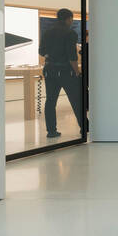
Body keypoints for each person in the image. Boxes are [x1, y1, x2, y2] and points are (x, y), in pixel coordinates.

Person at [39, 8, 83, 140]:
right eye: (72, 19)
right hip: (65, 71)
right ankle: (84, 127)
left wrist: (52, 57)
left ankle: (51, 131)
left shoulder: (47, 32)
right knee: (76, 100)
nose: (72, 21)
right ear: (68, 18)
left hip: (50, 70)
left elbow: (41, 51)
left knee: (50, 101)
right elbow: (72, 56)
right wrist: (77, 72)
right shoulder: (70, 33)